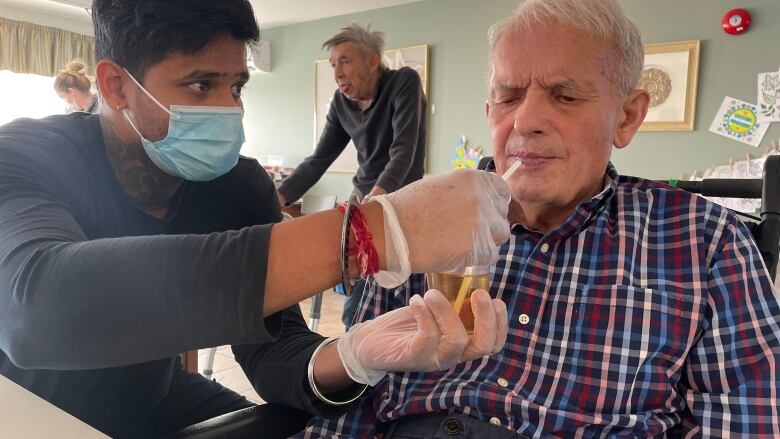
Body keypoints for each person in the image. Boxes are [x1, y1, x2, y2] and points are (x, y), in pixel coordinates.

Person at [0, 1, 512, 437]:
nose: (229, 110)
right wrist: (369, 231)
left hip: (151, 400)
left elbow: (275, 353)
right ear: (115, 86)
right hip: (25, 409)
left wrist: (355, 356)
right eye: (201, 85)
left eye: (237, 87)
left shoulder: (237, 187)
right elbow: (36, 305)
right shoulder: (26, 156)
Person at [298, 0, 780, 437]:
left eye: (565, 96)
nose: (524, 121)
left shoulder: (705, 241)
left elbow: (745, 419)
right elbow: (351, 413)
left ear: (628, 117)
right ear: (490, 112)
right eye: (508, 97)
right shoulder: (419, 219)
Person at [276, 23, 428, 329]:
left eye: (345, 61)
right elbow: (319, 159)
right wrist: (277, 196)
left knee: (408, 300)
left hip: (403, 201)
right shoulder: (341, 103)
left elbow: (403, 151)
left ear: (372, 61)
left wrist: (377, 198)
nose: (337, 73)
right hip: (367, 201)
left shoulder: (404, 82)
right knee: (360, 305)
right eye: (333, 65)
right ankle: (358, 360)